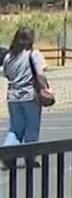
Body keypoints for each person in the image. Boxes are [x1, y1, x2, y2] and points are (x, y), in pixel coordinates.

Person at [3, 27, 50, 169]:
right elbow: (40, 74)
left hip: (13, 96)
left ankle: (8, 154)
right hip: (30, 95)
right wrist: (45, 88)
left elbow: (6, 74)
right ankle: (29, 156)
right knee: (31, 127)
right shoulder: (33, 55)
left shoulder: (9, 56)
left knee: (15, 128)